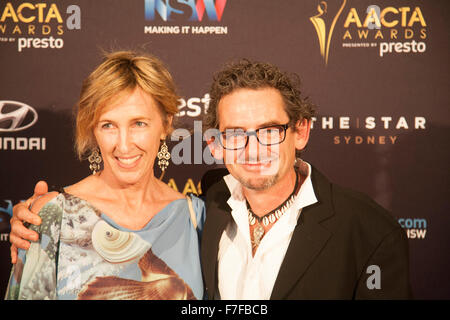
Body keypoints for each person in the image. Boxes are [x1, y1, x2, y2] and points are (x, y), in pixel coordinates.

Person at [10, 59, 412, 300]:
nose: (125, 142)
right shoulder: (49, 218)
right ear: (217, 144)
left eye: (269, 130)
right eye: (109, 125)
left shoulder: (195, 214)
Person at [199, 59, 412, 299]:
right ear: (216, 145)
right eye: (236, 134)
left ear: (300, 132)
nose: (253, 150)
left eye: (269, 131)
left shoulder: (369, 230)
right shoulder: (206, 210)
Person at [5, 51, 205, 300]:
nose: (123, 145)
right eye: (108, 125)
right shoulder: (54, 216)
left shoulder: (195, 219)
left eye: (138, 124)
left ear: (165, 125)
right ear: (93, 130)